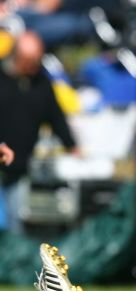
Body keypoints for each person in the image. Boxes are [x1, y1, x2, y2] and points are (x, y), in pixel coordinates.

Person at [0, 30, 78, 234]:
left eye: (36, 60)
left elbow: (56, 117)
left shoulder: (42, 84)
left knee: (15, 223)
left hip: (19, 167)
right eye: (29, 60)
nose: (33, 65)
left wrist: (72, 145)